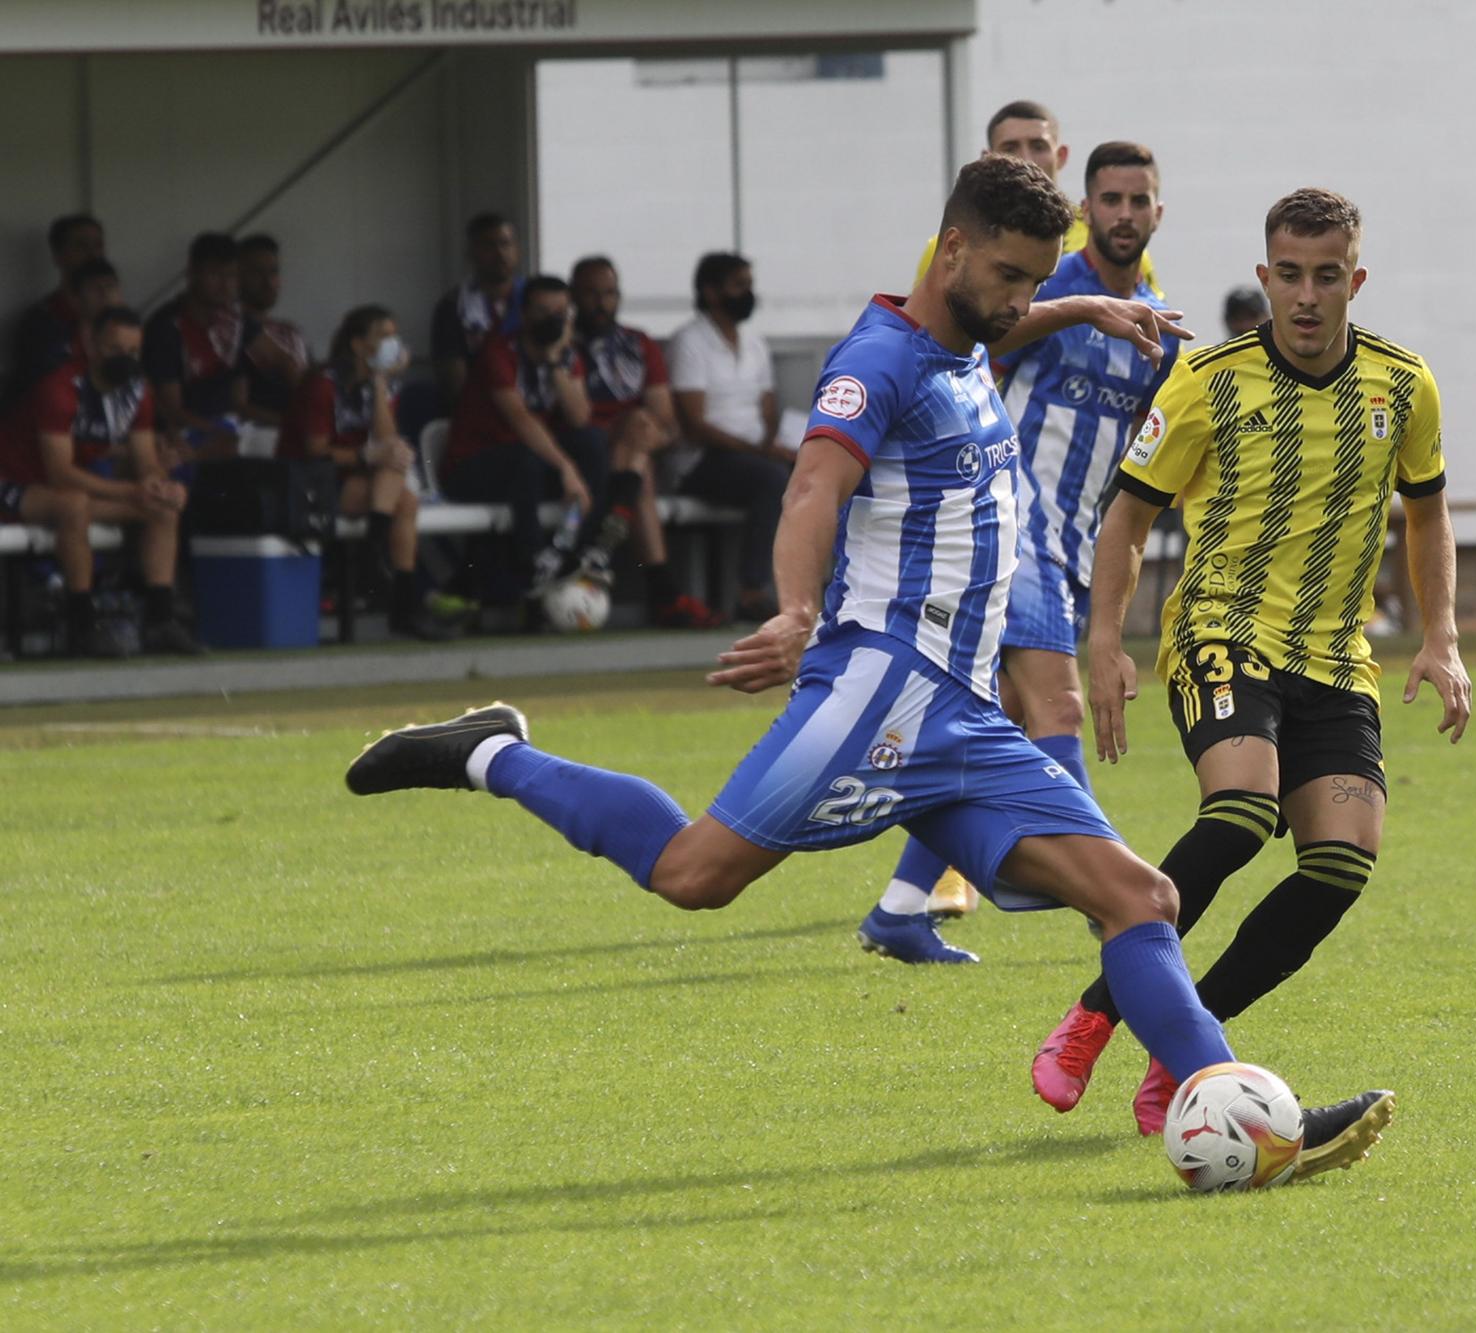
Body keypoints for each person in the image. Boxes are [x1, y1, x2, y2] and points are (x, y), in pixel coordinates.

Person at [343, 156, 1392, 1182]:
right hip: (878, 692)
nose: (1022, 296)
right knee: (692, 875)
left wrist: (1075, 313)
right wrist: (796, 609)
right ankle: (495, 753)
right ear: (950, 252)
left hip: (962, 717)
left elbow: (1000, 325)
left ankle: (1248, 1117)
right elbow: (811, 489)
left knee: (1138, 898)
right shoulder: (876, 362)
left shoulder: (965, 337)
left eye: (1038, 278)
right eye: (1012, 277)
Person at [1031, 187, 1467, 1138]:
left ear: (1354, 279)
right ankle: (1094, 1016)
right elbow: (1130, 514)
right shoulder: (1206, 381)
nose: (1306, 298)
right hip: (1221, 631)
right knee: (1240, 811)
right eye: (1289, 277)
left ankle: (1183, 1041)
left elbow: (1428, 509)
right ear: (1266, 275)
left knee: (1340, 869)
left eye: (1325, 278)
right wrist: (1103, 641)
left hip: (1335, 658)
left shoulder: (1403, 385)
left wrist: (1442, 637)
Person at [858, 140, 1177, 963]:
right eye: (1109, 199)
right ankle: (1106, 891)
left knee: (984, 721)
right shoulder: (1044, 289)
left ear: (1157, 213)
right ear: (1085, 208)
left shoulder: (1157, 323)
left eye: (1139, 200)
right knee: (1059, 709)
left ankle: (899, 908)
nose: (1124, 215)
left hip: (1069, 545)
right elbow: (968, 343)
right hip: (1013, 525)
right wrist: (1079, 309)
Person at [0, 306, 202, 656]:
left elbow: (145, 460)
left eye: (133, 352)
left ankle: (161, 620)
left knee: (162, 508)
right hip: (14, 483)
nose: (125, 359)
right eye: (115, 350)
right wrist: (131, 491)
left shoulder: (138, 393)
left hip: (69, 489)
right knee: (73, 504)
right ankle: (81, 622)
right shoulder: (61, 389)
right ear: (91, 345)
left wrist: (159, 484)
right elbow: (59, 473)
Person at [441, 274, 639, 617]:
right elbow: (521, 421)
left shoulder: (565, 355)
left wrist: (553, 363)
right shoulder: (499, 354)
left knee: (590, 442)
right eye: (544, 311)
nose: (554, 319)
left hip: (529, 466)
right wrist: (566, 469)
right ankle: (534, 562)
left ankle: (580, 548)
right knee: (527, 459)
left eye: (561, 311)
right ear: (524, 313)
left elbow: (579, 416)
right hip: (472, 466)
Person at [281, 304, 453, 641]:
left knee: (402, 491)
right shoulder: (323, 384)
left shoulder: (379, 384)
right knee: (400, 493)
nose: (394, 343)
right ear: (359, 345)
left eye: (395, 336)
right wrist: (366, 454)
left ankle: (377, 558)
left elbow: (386, 439)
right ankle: (399, 601)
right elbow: (315, 451)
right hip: (308, 481)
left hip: (358, 479)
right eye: (384, 337)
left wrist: (379, 385)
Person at [571, 255, 720, 629]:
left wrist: (643, 432)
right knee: (640, 470)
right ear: (575, 296)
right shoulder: (564, 346)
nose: (601, 302)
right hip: (585, 453)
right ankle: (663, 591)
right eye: (591, 294)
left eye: (608, 293)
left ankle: (619, 511)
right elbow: (574, 418)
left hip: (635, 448)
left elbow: (665, 419)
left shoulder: (638, 344)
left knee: (639, 439)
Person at [913, 101, 1163, 297]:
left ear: (1061, 156)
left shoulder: (1106, 235)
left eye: (1038, 146)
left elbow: (1150, 317)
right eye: (1010, 148)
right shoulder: (953, 241)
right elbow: (928, 329)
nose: (1026, 159)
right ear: (988, 158)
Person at [667, 253, 787, 621]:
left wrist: (770, 444)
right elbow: (694, 424)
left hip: (751, 455)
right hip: (702, 461)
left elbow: (768, 407)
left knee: (818, 471)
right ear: (711, 292)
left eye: (749, 285)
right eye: (739, 286)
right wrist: (758, 452)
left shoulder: (754, 341)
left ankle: (815, 589)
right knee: (771, 479)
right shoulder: (689, 341)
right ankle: (752, 591)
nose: (748, 293)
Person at [142, 231, 251, 466]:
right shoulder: (167, 327)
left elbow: (239, 400)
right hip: (184, 431)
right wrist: (217, 432)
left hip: (230, 426)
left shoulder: (233, 323)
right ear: (192, 273)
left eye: (231, 275)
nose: (225, 284)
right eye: (215, 274)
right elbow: (170, 409)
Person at [430, 213, 525, 411]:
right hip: (482, 411)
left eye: (506, 244)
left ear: (517, 250)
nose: (500, 253)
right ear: (471, 253)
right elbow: (455, 384)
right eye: (489, 246)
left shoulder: (535, 299)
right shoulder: (452, 307)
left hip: (535, 404)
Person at [8, 257, 124, 402]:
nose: (105, 294)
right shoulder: (53, 346)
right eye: (95, 288)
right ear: (75, 300)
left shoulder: (131, 342)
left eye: (110, 286)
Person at [233, 234, 312, 431]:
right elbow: (237, 406)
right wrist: (293, 425)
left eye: (273, 272)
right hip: (259, 437)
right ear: (238, 276)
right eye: (257, 273)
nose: (268, 282)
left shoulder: (291, 332)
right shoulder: (230, 332)